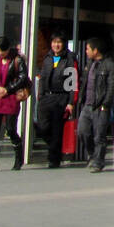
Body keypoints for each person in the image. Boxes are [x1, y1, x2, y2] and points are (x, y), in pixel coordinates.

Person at [0, 36, 28, 172]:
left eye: (2, 51)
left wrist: (8, 89)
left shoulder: (17, 60)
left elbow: (23, 77)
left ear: (8, 49)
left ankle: (18, 159)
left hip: (10, 97)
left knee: (10, 129)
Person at [35, 32, 78, 168]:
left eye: (59, 42)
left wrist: (71, 102)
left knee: (56, 130)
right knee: (42, 128)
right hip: (46, 98)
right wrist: (40, 97)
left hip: (61, 98)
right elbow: (42, 79)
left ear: (63, 43)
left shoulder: (69, 59)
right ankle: (54, 150)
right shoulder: (48, 58)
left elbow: (72, 83)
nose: (56, 45)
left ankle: (54, 159)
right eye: (54, 42)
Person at [77, 37, 114, 173]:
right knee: (83, 131)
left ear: (96, 50)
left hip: (100, 106)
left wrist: (106, 103)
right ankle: (92, 154)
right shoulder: (90, 64)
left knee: (99, 135)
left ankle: (98, 162)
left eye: (88, 49)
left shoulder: (109, 65)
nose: (86, 51)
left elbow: (112, 85)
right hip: (87, 104)